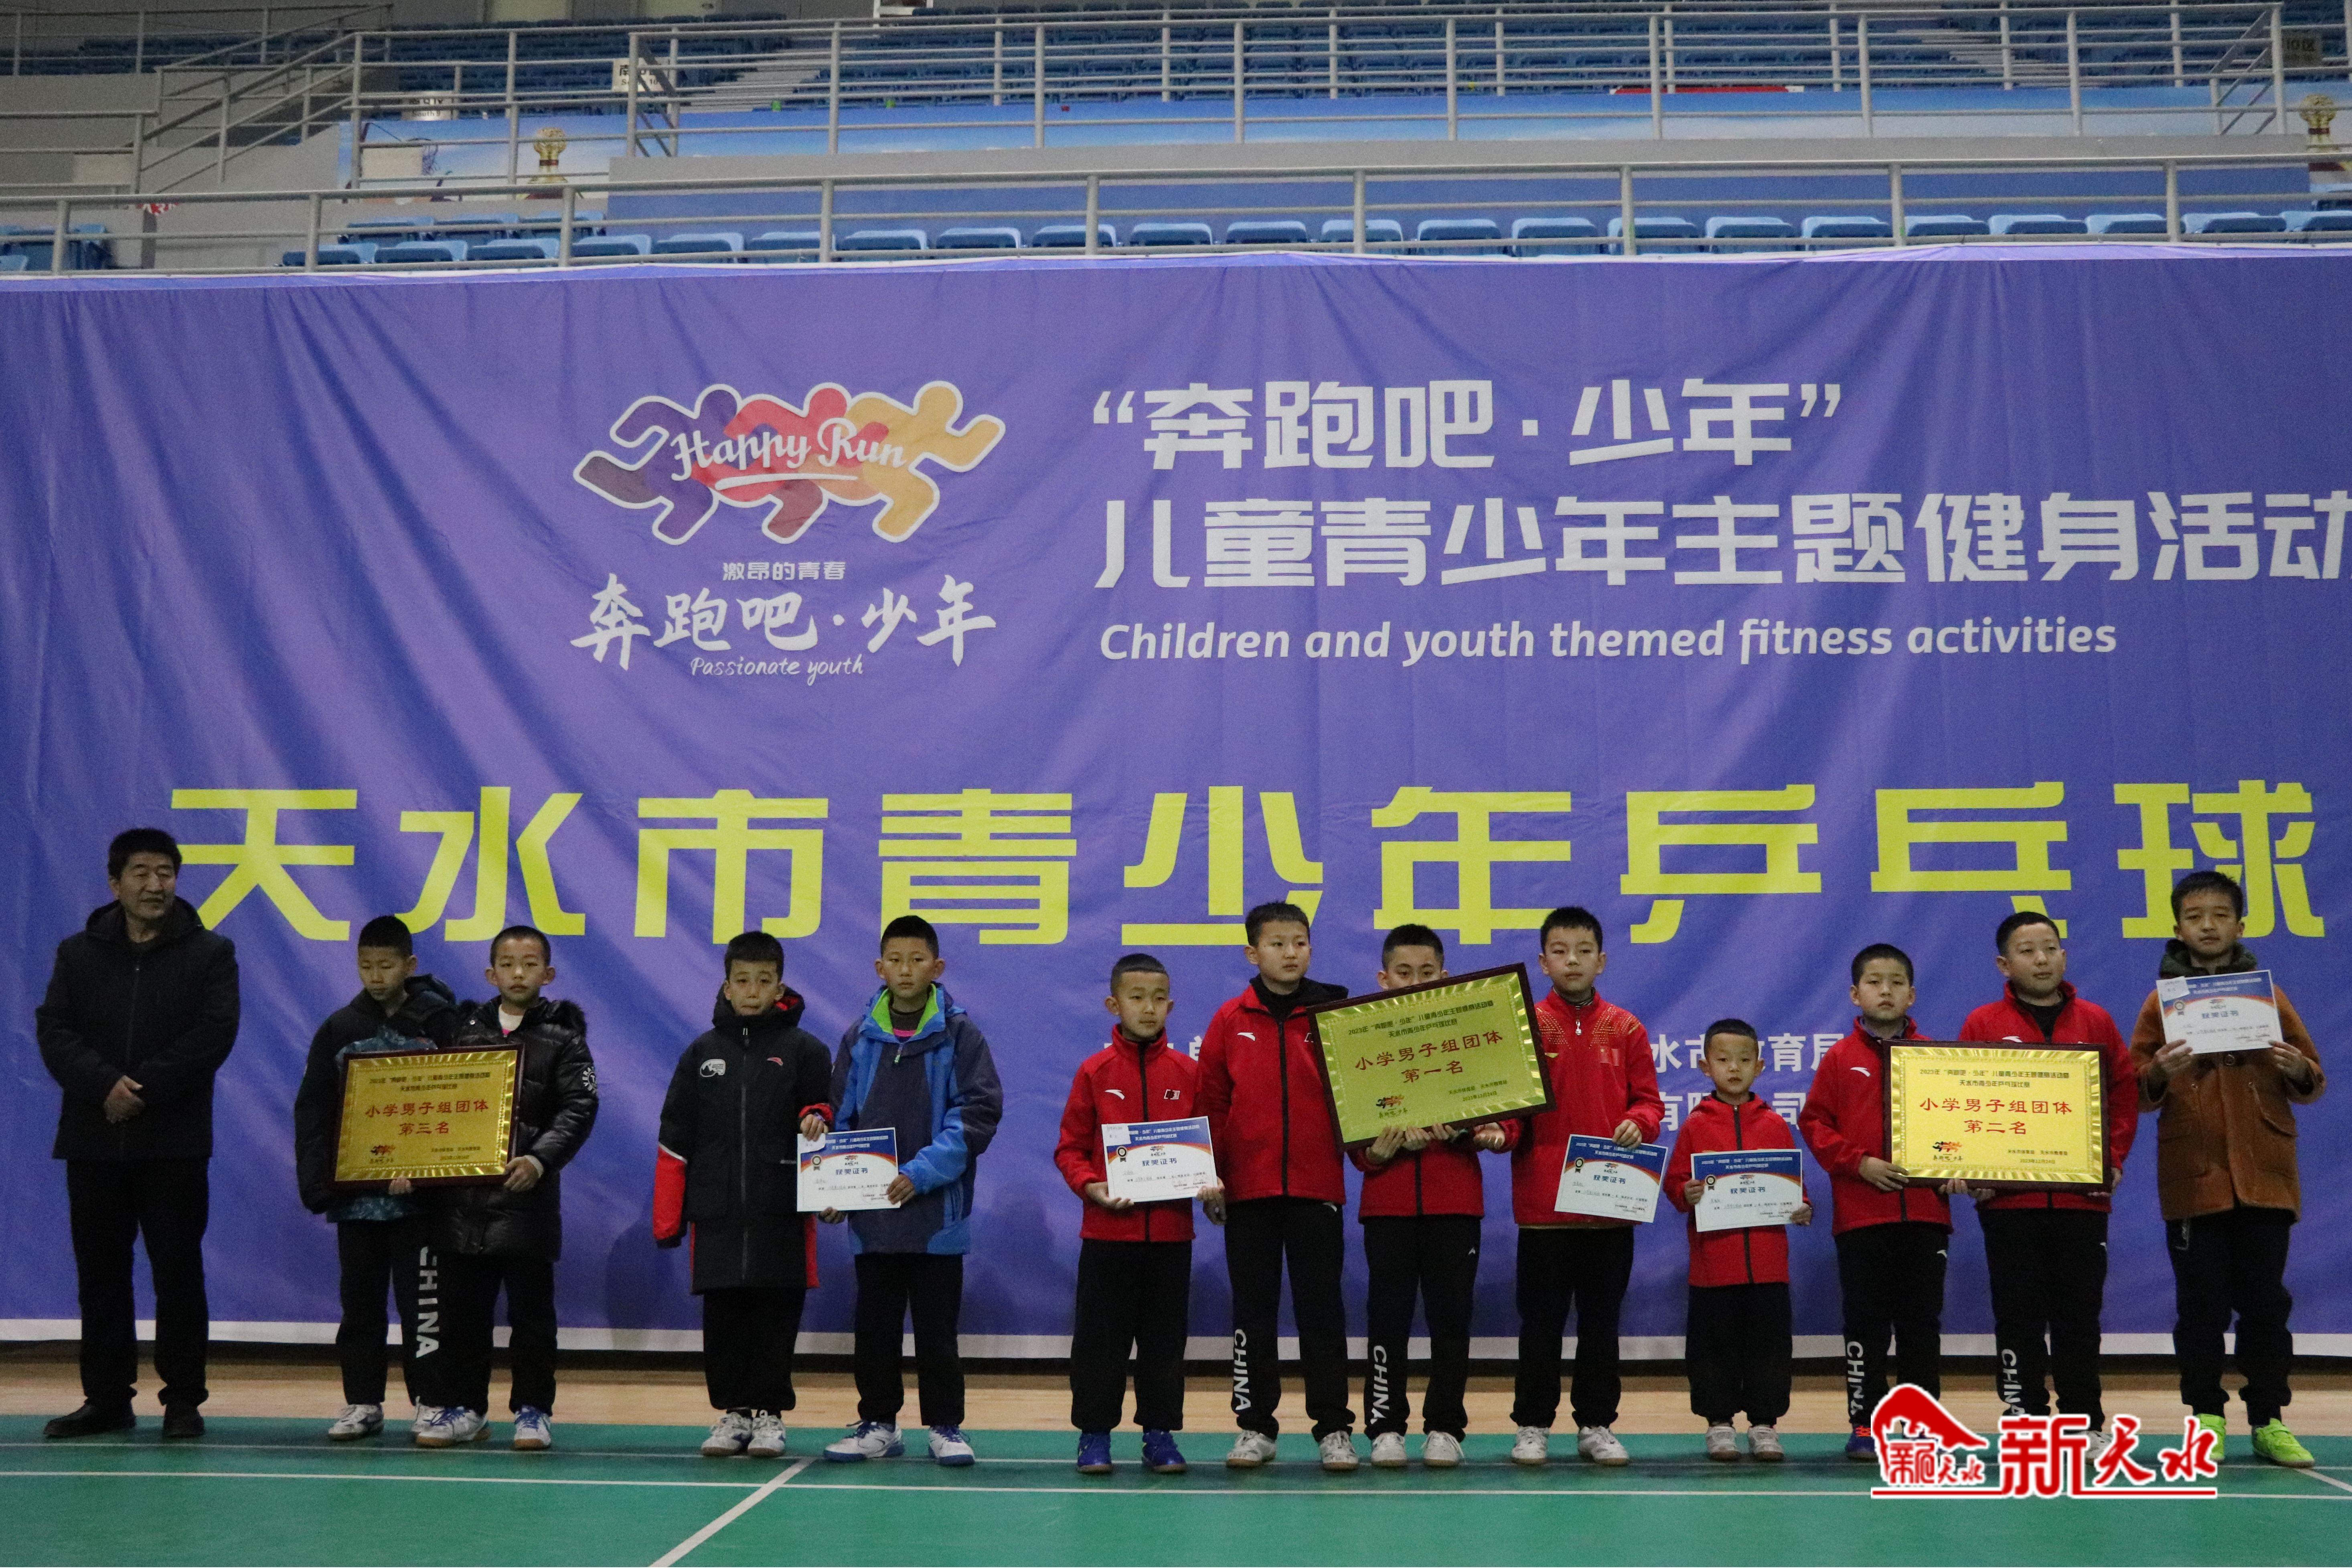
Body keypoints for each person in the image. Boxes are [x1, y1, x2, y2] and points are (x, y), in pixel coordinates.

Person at [35, 828, 240, 1441]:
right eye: (142, 873)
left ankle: (183, 1400)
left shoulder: (211, 952)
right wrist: (105, 1085)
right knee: (100, 1275)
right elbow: (55, 1030)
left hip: (173, 1141)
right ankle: (106, 1399)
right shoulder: (78, 953)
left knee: (178, 1273)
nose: (156, 885)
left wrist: (141, 1090)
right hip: (93, 1139)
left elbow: (214, 1033)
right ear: (115, 882)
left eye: (166, 873)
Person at [2130, 870, 2325, 1468]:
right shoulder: (2160, 1003)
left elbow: (2312, 1076)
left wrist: (2295, 1067)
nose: (2208, 926)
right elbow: (2135, 1089)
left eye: (2219, 915)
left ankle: (2268, 1419)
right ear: (2178, 927)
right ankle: (2206, 1417)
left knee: (2266, 1306)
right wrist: (2159, 1071)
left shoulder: (2269, 996)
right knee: (2201, 1308)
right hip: (2195, 1176)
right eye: (2195, 917)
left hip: (2265, 1175)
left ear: (2240, 925)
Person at [822, 915, 1004, 1467]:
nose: (906, 970)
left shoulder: (961, 1035)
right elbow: (840, 1119)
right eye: (895, 960)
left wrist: (920, 1173)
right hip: (873, 1220)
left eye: (917, 960)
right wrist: (835, 1187)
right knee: (874, 1329)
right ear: (879, 968)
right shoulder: (859, 1037)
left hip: (936, 1218)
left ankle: (946, 1426)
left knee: (936, 1332)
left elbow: (976, 1115)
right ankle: (878, 1423)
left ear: (937, 967)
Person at [1954, 910, 2138, 1456]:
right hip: (2009, 1202)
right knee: (2018, 1318)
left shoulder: (2096, 1021)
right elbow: (1962, 1098)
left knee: (2079, 1318)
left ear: (2064, 955)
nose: (2041, 959)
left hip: (2083, 1200)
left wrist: (2111, 1158)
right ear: (2003, 964)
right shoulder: (1982, 1023)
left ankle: (2085, 1420)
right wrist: (1972, 1166)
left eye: (2050, 948)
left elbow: (2123, 1093)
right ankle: (2026, 1421)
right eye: (2027, 950)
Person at [413, 924, 599, 1452]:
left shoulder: (565, 1039)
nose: (519, 973)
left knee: (532, 1318)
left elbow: (579, 1107)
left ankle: (533, 1411)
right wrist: (411, 1160)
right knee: (461, 1318)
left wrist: (540, 1160)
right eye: (509, 964)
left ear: (549, 974)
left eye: (530, 964)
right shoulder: (461, 1035)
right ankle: (465, 1409)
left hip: (526, 1204)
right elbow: (428, 1102)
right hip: (460, 1206)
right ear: (491, 974)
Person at [653, 931, 834, 1460]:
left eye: (764, 980)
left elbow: (825, 1111)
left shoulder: (807, 1051)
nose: (753, 990)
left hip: (782, 1209)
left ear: (780, 986)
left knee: (776, 1316)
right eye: (743, 980)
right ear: (727, 986)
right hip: (717, 1212)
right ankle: (733, 1412)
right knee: (725, 1319)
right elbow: (675, 1136)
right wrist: (668, 1218)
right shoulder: (701, 1054)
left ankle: (770, 1414)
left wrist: (816, 1118)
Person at [1196, 901, 1356, 1471]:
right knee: (1253, 1314)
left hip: (1317, 1188)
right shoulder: (1229, 1019)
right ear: (1252, 952)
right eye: (1277, 943)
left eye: (1300, 942)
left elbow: (1360, 1095)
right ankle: (1255, 1426)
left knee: (1322, 1312)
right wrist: (1211, 1174)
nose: (1290, 953)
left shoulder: (1336, 1015)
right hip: (1250, 1192)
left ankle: (1334, 1428)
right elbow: (1212, 1104)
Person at [292, 914, 459, 1442]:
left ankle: (431, 1401)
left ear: (410, 965)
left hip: (420, 1203)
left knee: (424, 1307)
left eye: (386, 965)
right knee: (360, 1306)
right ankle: (363, 1401)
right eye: (366, 966)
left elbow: (460, 1100)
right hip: (358, 1201)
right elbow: (314, 1109)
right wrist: (322, 1184)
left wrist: (430, 1172)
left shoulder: (441, 1024)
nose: (376, 976)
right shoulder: (341, 1029)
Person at [1507, 906, 1663, 1469]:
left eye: (1583, 950)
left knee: (1601, 1325)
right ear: (1542, 961)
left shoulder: (1626, 1028)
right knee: (1541, 1326)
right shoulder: (1525, 1026)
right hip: (1542, 1209)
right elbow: (1511, 1107)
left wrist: (1639, 1122)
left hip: (1608, 1207)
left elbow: (1649, 1102)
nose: (1571, 960)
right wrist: (1499, 1133)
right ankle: (1532, 1425)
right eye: (1559, 950)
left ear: (1602, 960)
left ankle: (1596, 1423)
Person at [1352, 924, 1511, 1469]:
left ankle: (1445, 1426)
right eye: (1404, 973)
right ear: (1383, 978)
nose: (1415, 982)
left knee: (1452, 1320)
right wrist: (1376, 1152)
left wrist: (1470, 1131)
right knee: (1387, 1320)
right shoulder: (1362, 1042)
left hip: (1455, 1203)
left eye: (1427, 973)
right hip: (1387, 1205)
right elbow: (1350, 1133)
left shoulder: (1470, 1038)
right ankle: (1385, 1426)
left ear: (1446, 978)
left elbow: (1503, 1107)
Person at [1054, 952, 1207, 1477]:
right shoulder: (1094, 1072)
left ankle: (1159, 1434)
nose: (1148, 1008)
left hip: (1170, 1237)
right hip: (1107, 1235)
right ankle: (1094, 1434)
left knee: (1164, 1343)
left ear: (1171, 1005)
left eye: (1158, 998)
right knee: (1100, 1343)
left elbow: (1208, 1148)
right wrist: (1089, 1184)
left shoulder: (1189, 1073)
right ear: (1113, 1004)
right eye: (1136, 997)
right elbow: (1070, 1148)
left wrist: (1210, 1183)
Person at [1799, 942, 1950, 1462]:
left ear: (1912, 994)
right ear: (1854, 994)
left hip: (1926, 1215)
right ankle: (1866, 1422)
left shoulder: (1937, 1057)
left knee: (1921, 1327)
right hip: (1862, 1217)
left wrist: (1957, 1169)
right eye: (1874, 981)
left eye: (1896, 982)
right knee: (1865, 1325)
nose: (1885, 990)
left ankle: (1922, 1426)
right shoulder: (1840, 1058)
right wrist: (1858, 1162)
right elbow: (1815, 1123)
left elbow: (1962, 1126)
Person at [1662, 1018, 1811, 1463]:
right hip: (1713, 1268)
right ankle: (1719, 1424)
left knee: (1769, 1348)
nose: (1734, 1068)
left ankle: (1764, 1424)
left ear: (1759, 1066)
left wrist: (1803, 1207)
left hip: (1768, 1266)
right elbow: (1675, 1183)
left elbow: (1794, 1187)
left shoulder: (1775, 1124)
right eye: (1723, 1059)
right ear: (1705, 1066)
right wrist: (1686, 1192)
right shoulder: (1695, 1125)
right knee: (1714, 1349)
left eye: (1744, 1060)